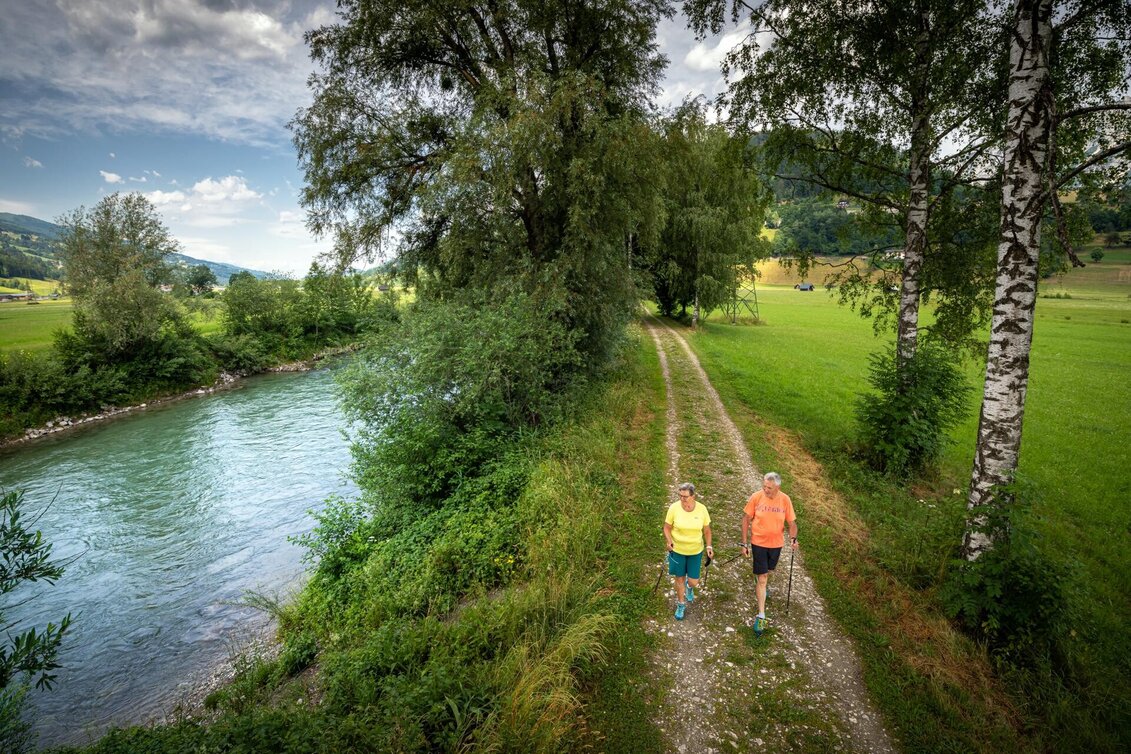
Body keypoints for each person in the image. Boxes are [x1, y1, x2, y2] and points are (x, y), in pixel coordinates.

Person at [740, 472, 798, 636]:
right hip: (758, 542)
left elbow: (792, 523)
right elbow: (745, 519)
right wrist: (744, 543)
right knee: (763, 577)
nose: (766, 490)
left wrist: (793, 538)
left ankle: (760, 582)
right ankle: (761, 615)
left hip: (776, 544)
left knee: (769, 572)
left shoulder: (785, 500)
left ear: (778, 487)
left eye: (769, 488)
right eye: (764, 486)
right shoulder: (756, 497)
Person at [664, 482, 713, 620]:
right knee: (679, 578)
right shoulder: (674, 508)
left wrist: (709, 546)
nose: (682, 499)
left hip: (695, 550)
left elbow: (707, 530)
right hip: (678, 550)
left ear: (693, 496)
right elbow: (667, 527)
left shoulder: (702, 509)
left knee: (693, 582)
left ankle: (689, 587)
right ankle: (681, 604)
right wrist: (669, 541)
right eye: (680, 495)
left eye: (685, 496)